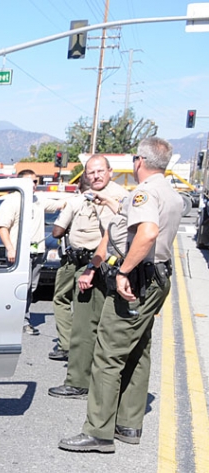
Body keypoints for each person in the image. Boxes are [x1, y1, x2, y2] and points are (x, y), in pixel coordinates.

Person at [59, 137, 185, 453]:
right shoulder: (170, 193)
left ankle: (98, 431)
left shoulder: (145, 192)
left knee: (107, 353)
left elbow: (148, 233)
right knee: (138, 349)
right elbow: (126, 229)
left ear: (138, 162)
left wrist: (124, 271)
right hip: (157, 276)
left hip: (138, 277)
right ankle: (128, 423)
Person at [47, 157, 128, 362]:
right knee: (86, 314)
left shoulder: (115, 196)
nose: (96, 176)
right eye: (91, 173)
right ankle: (79, 357)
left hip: (97, 263)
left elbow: (110, 236)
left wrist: (92, 268)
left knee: (88, 317)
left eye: (100, 171)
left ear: (110, 171)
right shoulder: (88, 198)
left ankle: (80, 362)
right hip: (85, 261)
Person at [0, 169, 60, 335]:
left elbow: (61, 204)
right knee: (19, 288)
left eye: (35, 181)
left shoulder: (38, 200)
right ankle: (17, 320)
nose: (33, 185)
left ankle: (22, 317)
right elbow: (3, 227)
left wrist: (83, 196)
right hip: (19, 253)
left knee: (30, 288)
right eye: (29, 181)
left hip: (37, 251)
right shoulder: (11, 202)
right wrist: (10, 249)